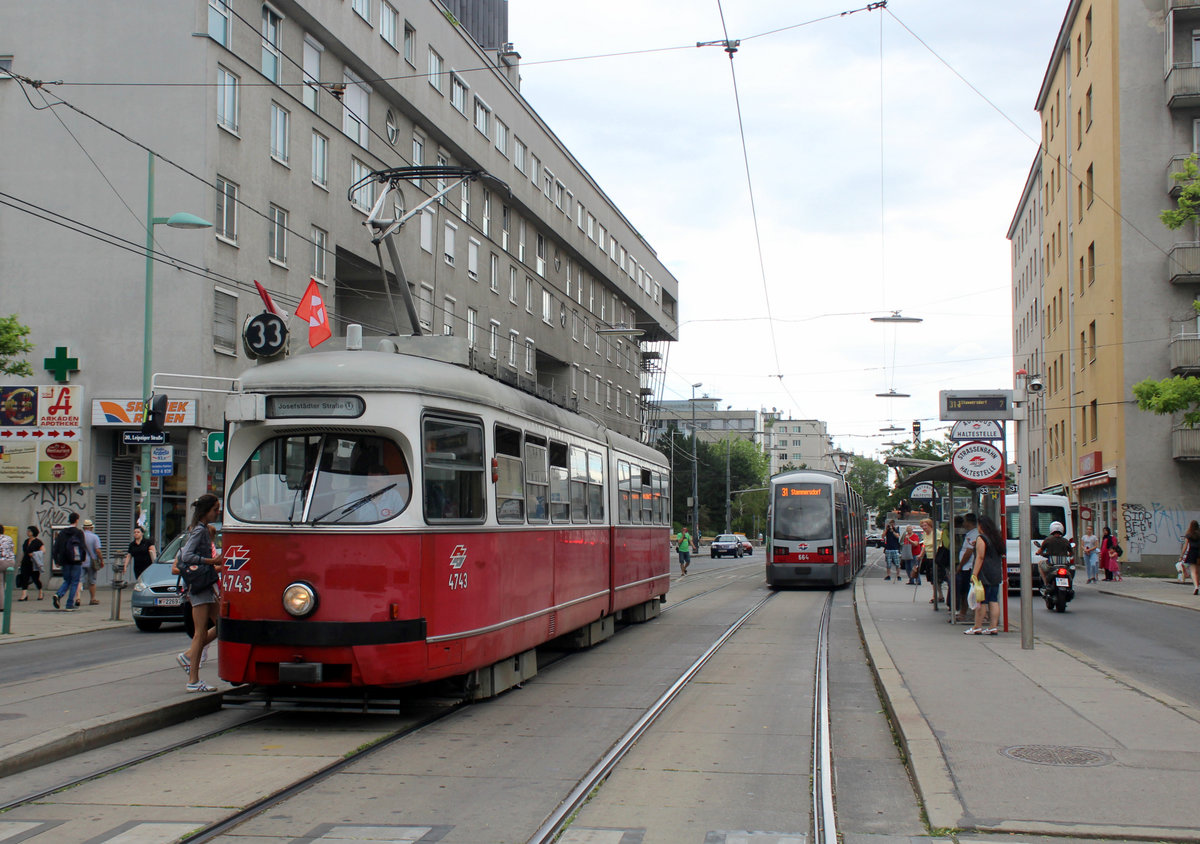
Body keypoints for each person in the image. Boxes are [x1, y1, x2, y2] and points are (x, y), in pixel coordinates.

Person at [176, 494, 224, 693]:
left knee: (223, 624)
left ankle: (188, 657)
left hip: (206, 585)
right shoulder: (199, 530)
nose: (218, 512)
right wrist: (211, 562)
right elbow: (186, 556)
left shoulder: (202, 529)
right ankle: (193, 680)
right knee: (200, 633)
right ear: (206, 511)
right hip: (200, 586)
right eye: (215, 509)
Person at [965, 513, 1004, 635]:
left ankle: (977, 626)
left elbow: (980, 557)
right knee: (993, 600)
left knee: (981, 601)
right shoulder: (996, 538)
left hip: (984, 573)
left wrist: (974, 574)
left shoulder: (981, 538)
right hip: (995, 572)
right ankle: (993, 627)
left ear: (981, 526)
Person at [52, 512, 86, 611]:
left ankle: (58, 594)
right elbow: (82, 547)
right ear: (76, 520)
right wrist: (82, 559)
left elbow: (56, 547)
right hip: (76, 561)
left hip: (65, 561)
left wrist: (56, 560)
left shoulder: (62, 533)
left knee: (67, 580)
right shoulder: (79, 533)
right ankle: (69, 604)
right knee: (75, 581)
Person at [1036, 521, 1073, 588]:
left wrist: (1039, 553)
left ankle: (1046, 583)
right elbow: (1071, 553)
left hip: (1051, 565)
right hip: (1064, 565)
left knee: (1040, 564)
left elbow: (1040, 551)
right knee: (1070, 572)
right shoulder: (1065, 541)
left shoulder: (1048, 540)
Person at [956, 514, 978, 622]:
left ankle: (964, 612)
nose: (963, 523)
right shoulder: (970, 533)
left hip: (968, 567)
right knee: (963, 591)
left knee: (965, 591)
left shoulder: (974, 534)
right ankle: (964, 611)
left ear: (969, 522)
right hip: (966, 566)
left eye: (964, 521)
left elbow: (969, 552)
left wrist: (960, 565)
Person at [79, 518, 105, 606]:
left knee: (79, 580)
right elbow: (98, 550)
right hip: (91, 561)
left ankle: (78, 598)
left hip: (80, 561)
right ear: (91, 528)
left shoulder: (79, 536)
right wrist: (101, 560)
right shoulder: (94, 537)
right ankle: (92, 599)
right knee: (92, 581)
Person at [17, 525, 45, 601]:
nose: (27, 532)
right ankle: (24, 595)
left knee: (35, 578)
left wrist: (34, 554)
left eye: (29, 531)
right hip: (25, 562)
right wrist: (20, 561)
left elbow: (43, 551)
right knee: (24, 578)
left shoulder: (38, 542)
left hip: (34, 563)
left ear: (33, 532)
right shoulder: (26, 541)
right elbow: (24, 552)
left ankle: (40, 592)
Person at [1182, 520, 1200, 595]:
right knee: (1198, 571)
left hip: (1192, 552)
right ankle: (1198, 585)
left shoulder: (1188, 534)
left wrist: (1181, 555)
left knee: (1193, 571)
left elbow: (1185, 546)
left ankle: (1196, 586)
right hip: (1199, 552)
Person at [0, 525, 14, 610]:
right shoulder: (9, 538)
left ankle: (1, 606)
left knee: (0, 584)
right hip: (10, 562)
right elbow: (12, 549)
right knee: (8, 583)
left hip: (0, 562)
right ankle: (8, 603)